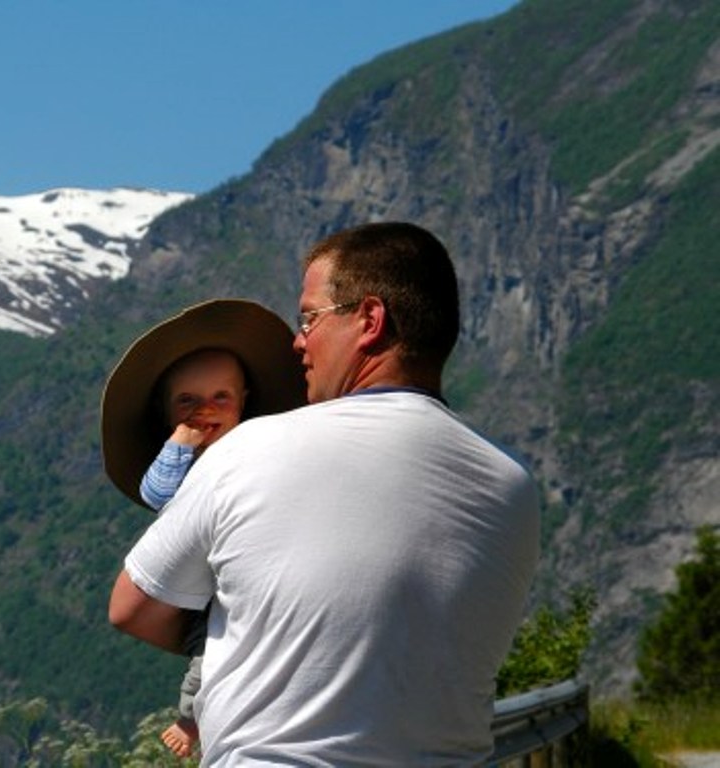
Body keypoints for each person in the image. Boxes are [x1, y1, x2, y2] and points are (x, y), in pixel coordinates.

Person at [109, 222, 541, 766]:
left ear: (369, 321)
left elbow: (132, 606)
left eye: (310, 318)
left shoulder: (249, 449)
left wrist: (244, 622)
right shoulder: (514, 487)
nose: (298, 342)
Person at [100, 298, 307, 758]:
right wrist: (179, 445)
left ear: (243, 401)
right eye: (187, 401)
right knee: (206, 654)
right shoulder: (181, 458)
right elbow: (155, 492)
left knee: (215, 650)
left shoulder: (255, 449)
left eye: (220, 398)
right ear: (167, 411)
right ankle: (191, 718)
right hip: (208, 584)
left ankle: (193, 717)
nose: (203, 412)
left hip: (249, 573)